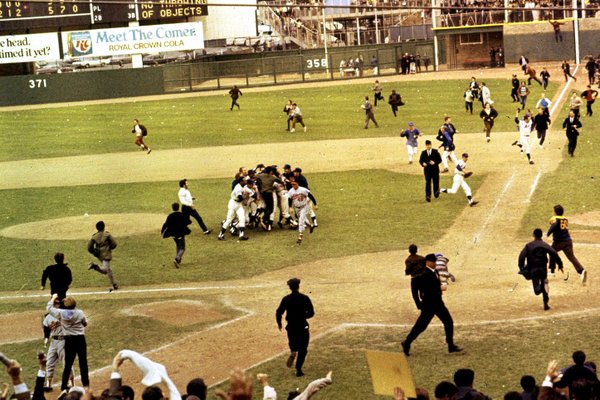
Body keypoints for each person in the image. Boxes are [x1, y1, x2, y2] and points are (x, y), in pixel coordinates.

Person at [401, 254, 462, 356]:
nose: (435, 263)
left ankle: (450, 345)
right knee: (421, 326)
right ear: (428, 262)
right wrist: (418, 303)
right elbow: (414, 286)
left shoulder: (435, 271)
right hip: (429, 305)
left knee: (448, 322)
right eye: (433, 261)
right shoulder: (424, 274)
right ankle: (407, 342)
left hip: (437, 303)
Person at [46, 295, 89, 393]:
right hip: (80, 340)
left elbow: (49, 308)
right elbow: (85, 323)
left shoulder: (60, 313)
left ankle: (63, 387)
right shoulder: (80, 312)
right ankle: (86, 385)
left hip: (69, 341)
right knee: (83, 363)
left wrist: (53, 298)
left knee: (68, 364)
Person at [276, 278, 315, 377]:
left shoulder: (286, 299)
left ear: (290, 288)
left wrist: (279, 323)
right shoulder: (304, 298)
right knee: (303, 349)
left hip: (291, 326)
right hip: (302, 326)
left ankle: (293, 351)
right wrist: (303, 316)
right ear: (298, 286)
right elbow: (311, 313)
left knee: (293, 342)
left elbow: (279, 312)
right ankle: (298, 369)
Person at [518, 228, 563, 310]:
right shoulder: (544, 244)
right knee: (544, 283)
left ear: (533, 235)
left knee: (537, 291)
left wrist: (521, 267)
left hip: (533, 268)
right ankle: (545, 304)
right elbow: (553, 253)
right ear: (541, 235)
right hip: (543, 268)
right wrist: (560, 264)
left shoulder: (529, 245)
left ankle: (542, 286)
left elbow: (521, 257)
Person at [547, 204, 587, 284]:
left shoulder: (556, 220)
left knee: (551, 252)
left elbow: (552, 227)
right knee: (571, 257)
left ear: (555, 212)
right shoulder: (565, 219)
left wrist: (548, 233)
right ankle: (581, 271)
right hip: (568, 241)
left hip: (559, 242)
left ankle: (552, 272)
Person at [43, 297, 75, 390]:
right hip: (53, 342)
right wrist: (45, 338)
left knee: (66, 363)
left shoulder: (63, 314)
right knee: (49, 362)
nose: (56, 305)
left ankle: (72, 383)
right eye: (55, 304)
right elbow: (46, 329)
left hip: (64, 341)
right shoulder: (47, 317)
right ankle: (48, 384)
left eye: (57, 304)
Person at [87, 220, 119, 291]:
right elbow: (114, 244)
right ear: (104, 227)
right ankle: (94, 266)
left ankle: (114, 284)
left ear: (97, 228)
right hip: (106, 255)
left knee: (109, 269)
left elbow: (89, 247)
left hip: (99, 255)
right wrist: (109, 247)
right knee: (105, 270)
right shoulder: (107, 235)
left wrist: (93, 252)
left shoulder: (94, 236)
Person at [161, 202, 192, 268]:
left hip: (173, 234)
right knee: (183, 248)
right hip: (180, 233)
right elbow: (188, 221)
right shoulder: (181, 215)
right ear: (178, 207)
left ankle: (178, 260)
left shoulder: (170, 216)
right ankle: (177, 258)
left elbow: (166, 224)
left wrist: (162, 231)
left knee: (178, 245)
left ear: (172, 208)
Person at [287, 179, 314, 245]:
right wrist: (290, 207)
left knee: (301, 221)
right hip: (297, 208)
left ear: (298, 184)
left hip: (304, 207)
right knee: (303, 219)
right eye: (292, 184)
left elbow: (310, 196)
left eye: (294, 184)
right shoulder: (291, 191)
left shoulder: (303, 190)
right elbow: (289, 199)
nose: (293, 185)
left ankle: (300, 237)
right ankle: (310, 226)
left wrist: (315, 204)